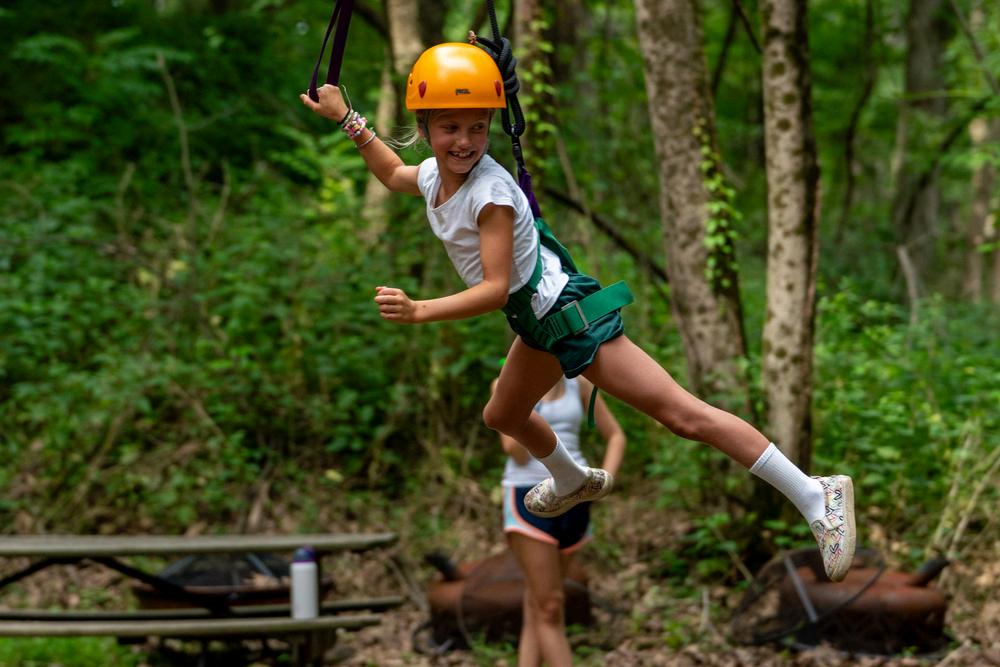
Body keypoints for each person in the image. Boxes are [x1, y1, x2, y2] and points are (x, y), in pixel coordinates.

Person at [299, 42, 856, 583]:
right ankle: (571, 478)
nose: (465, 141)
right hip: (537, 325)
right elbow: (393, 173)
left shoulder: (490, 195)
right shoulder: (432, 177)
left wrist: (419, 309)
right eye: (450, 127)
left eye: (477, 127)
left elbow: (494, 289)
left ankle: (815, 494)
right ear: (424, 128)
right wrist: (348, 118)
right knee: (503, 415)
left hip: (569, 318)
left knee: (683, 416)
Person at [492, 373, 624, 666]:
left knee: (538, 603)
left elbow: (616, 436)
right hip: (527, 495)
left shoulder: (579, 383)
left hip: (576, 496)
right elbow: (514, 452)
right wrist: (527, 398)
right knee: (550, 607)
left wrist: (602, 483)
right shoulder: (505, 382)